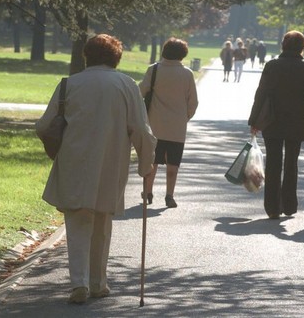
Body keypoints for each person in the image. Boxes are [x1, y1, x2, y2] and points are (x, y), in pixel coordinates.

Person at [36, 34, 156, 304]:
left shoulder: (69, 84)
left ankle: (78, 282)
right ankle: (98, 283)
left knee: (77, 222)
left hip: (74, 162)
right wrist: (146, 165)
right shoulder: (126, 85)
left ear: (86, 56)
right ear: (116, 57)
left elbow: (44, 126)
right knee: (102, 222)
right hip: (111, 164)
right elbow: (141, 130)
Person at [248, 30, 304, 219]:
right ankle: (289, 204)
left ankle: (272, 207)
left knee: (273, 163)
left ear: (283, 45)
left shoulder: (272, 66)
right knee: (291, 163)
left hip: (272, 120)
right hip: (297, 121)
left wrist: (255, 120)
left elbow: (261, 93)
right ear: (302, 47)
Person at [139, 37, 198, 208]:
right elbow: (193, 102)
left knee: (153, 162)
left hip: (155, 124)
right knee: (173, 165)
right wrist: (184, 117)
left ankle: (148, 192)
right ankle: (169, 195)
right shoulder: (187, 74)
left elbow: (141, 92)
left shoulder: (154, 70)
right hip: (177, 127)